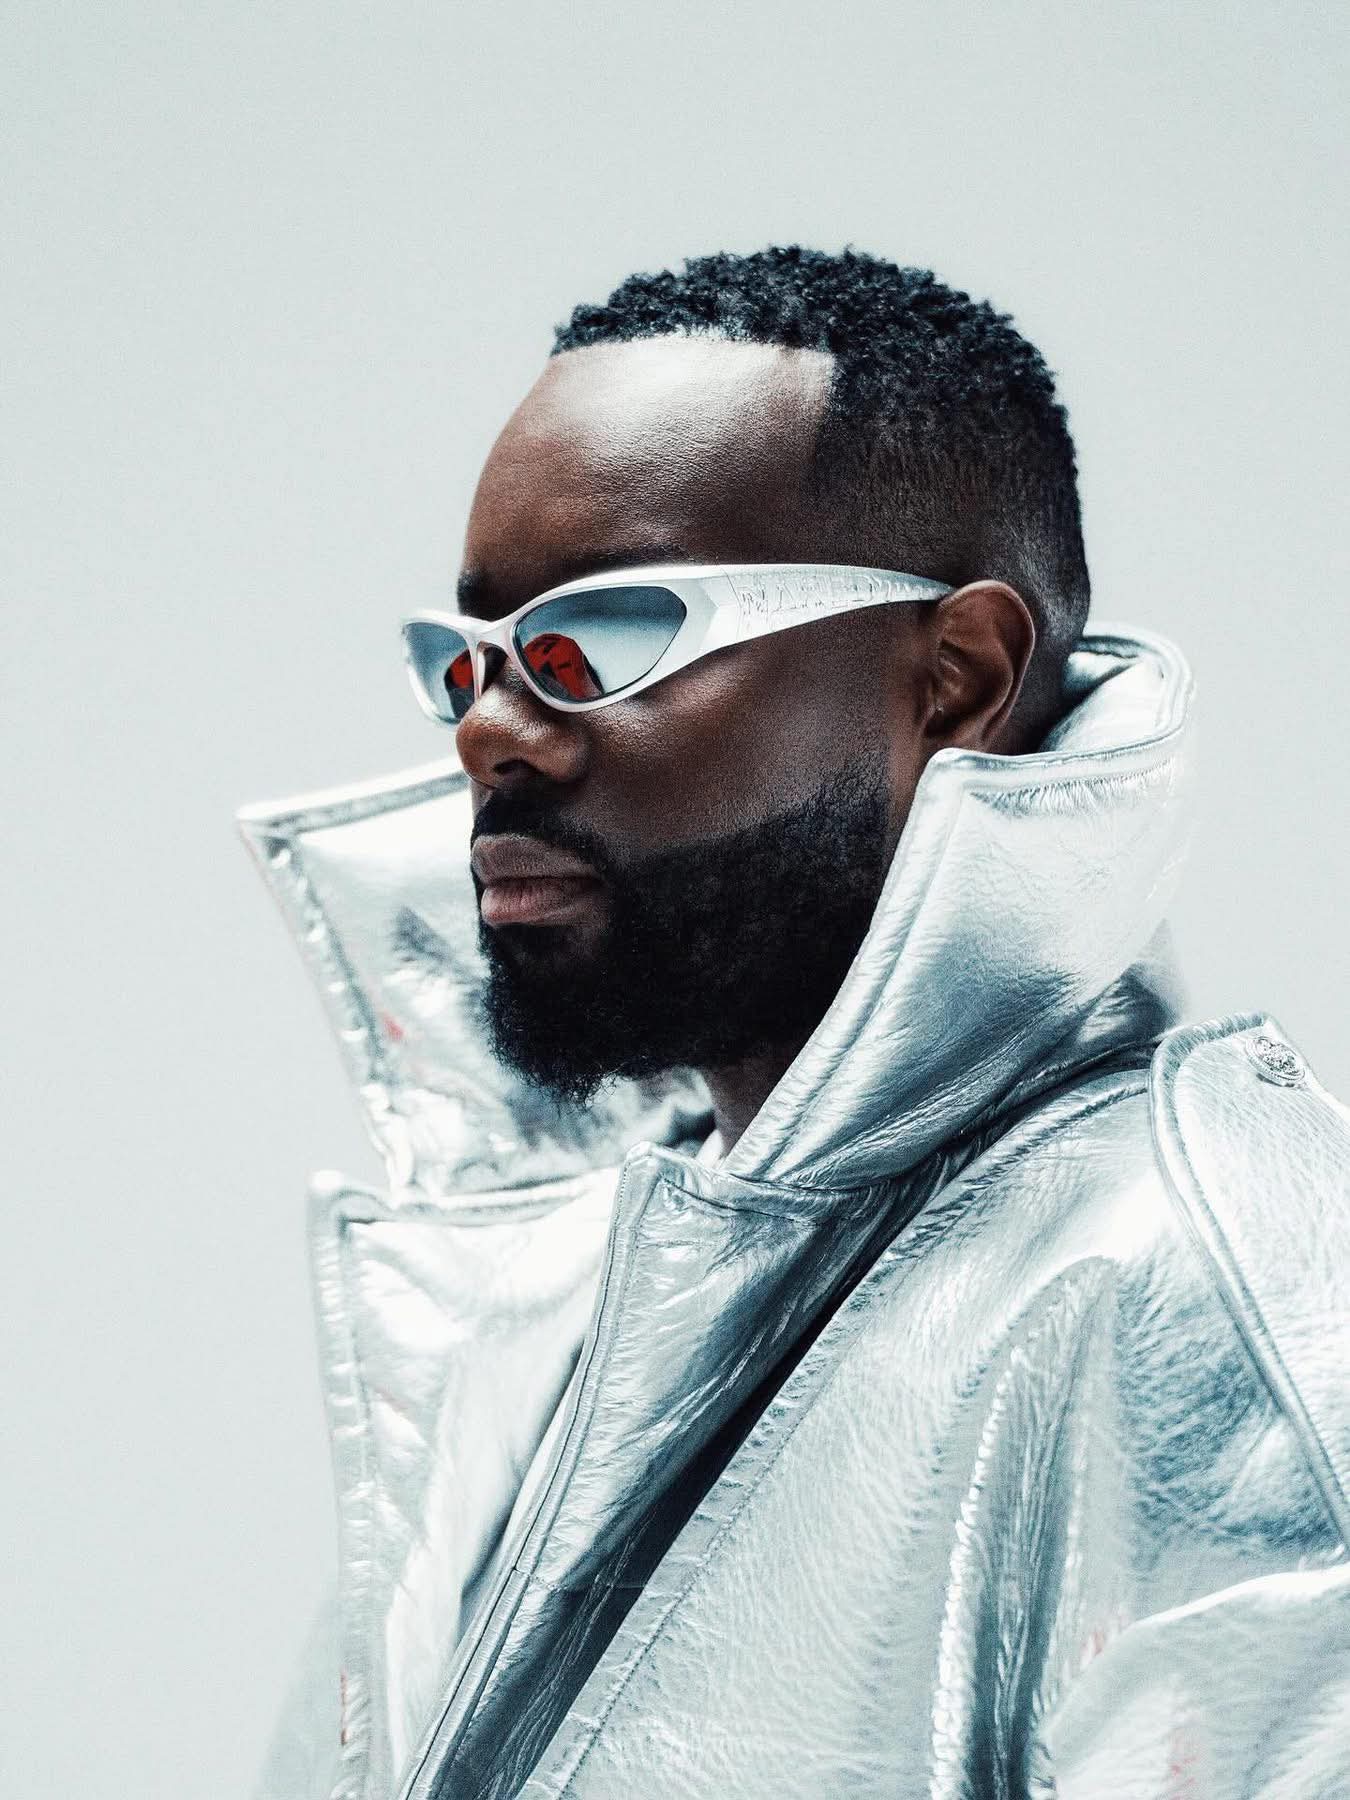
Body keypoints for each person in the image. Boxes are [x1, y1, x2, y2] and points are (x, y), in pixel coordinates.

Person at [245, 249, 1350, 1800]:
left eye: (598, 640)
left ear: (955, 677)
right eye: (469, 660)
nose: (489, 728)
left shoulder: (1217, 1304)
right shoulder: (564, 1291)